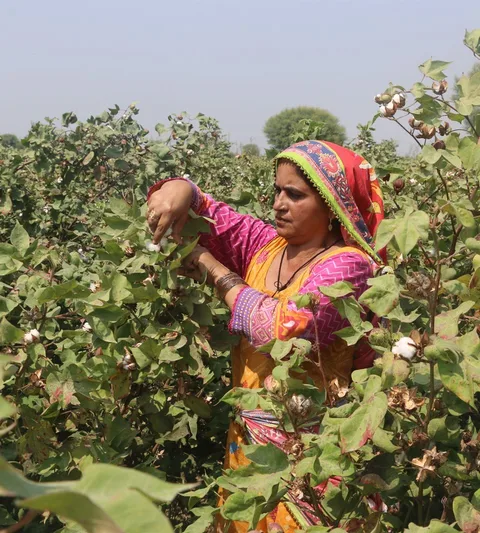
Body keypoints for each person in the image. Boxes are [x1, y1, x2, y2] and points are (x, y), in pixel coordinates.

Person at [146, 140, 385, 532]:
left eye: (295, 194)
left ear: (331, 205)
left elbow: (279, 329)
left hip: (310, 453)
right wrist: (180, 188)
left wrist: (212, 268)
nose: (278, 203)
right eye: (277, 190)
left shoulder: (349, 267)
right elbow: (205, 214)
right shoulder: (266, 247)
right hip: (248, 440)